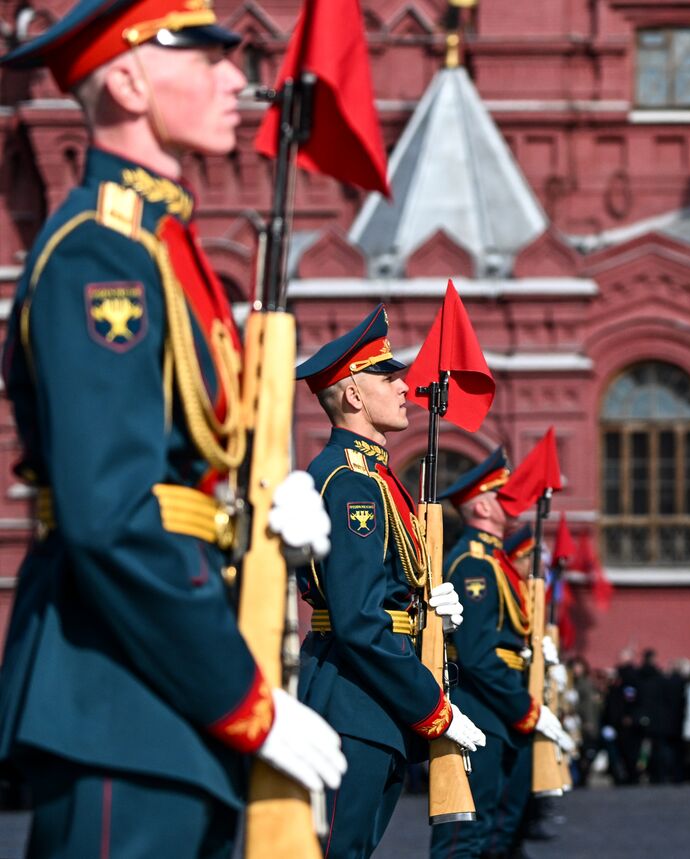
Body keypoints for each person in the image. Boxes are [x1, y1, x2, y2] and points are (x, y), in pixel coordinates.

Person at [0, 2, 347, 856]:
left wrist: (267, 501)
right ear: (126, 79)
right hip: (120, 687)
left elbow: (186, 464)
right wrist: (243, 697)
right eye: (206, 57)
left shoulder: (163, 243)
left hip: (171, 687)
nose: (238, 79)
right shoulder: (102, 253)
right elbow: (110, 514)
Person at [296, 304, 486, 858]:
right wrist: (433, 707)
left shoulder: (374, 478)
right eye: (388, 376)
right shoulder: (352, 484)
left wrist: (429, 607)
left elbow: (382, 590)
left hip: (371, 704)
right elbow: (358, 619)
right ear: (354, 396)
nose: (405, 388)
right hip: (352, 699)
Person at [432, 455, 574, 859]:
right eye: (500, 494)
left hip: (499, 710)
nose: (510, 500)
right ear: (480, 506)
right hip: (483, 708)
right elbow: (477, 656)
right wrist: (526, 709)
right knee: (466, 838)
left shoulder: (494, 562)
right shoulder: (472, 565)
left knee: (499, 832)